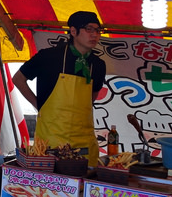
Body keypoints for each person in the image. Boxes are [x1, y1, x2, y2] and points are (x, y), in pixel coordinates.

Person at [12, 11, 107, 165]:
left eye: (97, 30)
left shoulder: (97, 64)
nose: (94, 35)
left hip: (84, 141)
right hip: (51, 140)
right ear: (73, 31)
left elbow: (93, 94)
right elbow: (18, 79)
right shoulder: (48, 57)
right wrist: (38, 105)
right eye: (89, 29)